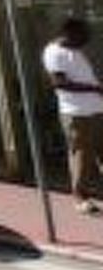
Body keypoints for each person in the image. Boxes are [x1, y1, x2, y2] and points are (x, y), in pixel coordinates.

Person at [42, 16, 103, 214]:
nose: (86, 39)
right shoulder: (54, 52)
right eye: (83, 35)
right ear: (69, 33)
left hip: (95, 109)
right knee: (82, 155)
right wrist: (94, 88)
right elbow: (59, 83)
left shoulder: (74, 50)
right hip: (77, 113)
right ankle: (80, 198)